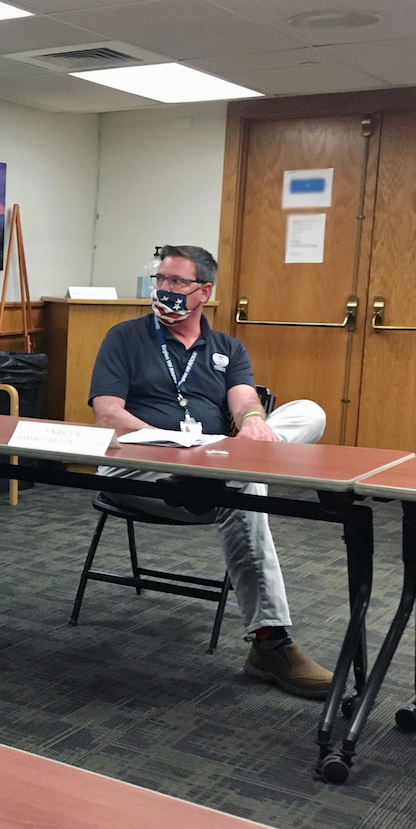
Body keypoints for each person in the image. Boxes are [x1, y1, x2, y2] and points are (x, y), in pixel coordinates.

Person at [89, 244, 333, 699]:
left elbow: (243, 398)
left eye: (177, 283)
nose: (164, 290)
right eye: (159, 280)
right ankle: (270, 643)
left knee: (309, 413)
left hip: (214, 463)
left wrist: (254, 420)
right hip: (140, 467)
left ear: (204, 291)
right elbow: (108, 416)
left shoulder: (226, 347)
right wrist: (176, 446)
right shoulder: (124, 337)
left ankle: (226, 470)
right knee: (241, 480)